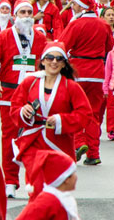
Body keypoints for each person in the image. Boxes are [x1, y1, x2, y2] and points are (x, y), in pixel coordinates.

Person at [0, 0, 47, 197]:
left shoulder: (41, 38)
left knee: (34, 137)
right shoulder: (3, 37)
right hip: (9, 94)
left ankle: (34, 180)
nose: (26, 16)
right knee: (10, 138)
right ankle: (10, 181)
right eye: (22, 12)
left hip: (34, 95)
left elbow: (51, 62)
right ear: (15, 16)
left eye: (29, 12)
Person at [12, 41, 91, 183]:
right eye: (49, 58)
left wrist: (61, 120)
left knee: (55, 188)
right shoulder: (29, 83)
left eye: (59, 59)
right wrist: (23, 112)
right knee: (36, 185)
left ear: (63, 64)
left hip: (59, 143)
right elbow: (15, 108)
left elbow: (85, 114)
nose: (54, 62)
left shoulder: (71, 87)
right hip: (33, 141)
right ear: (42, 61)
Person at [58, 0, 113, 165]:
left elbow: (61, 46)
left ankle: (79, 143)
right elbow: (110, 48)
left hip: (78, 72)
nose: (72, 7)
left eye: (74, 4)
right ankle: (94, 154)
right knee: (93, 114)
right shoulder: (103, 25)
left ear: (81, 6)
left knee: (75, 109)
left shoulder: (76, 24)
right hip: (97, 72)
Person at [11, 150, 81, 220]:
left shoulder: (64, 197)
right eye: (74, 173)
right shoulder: (47, 201)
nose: (76, 177)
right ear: (66, 179)